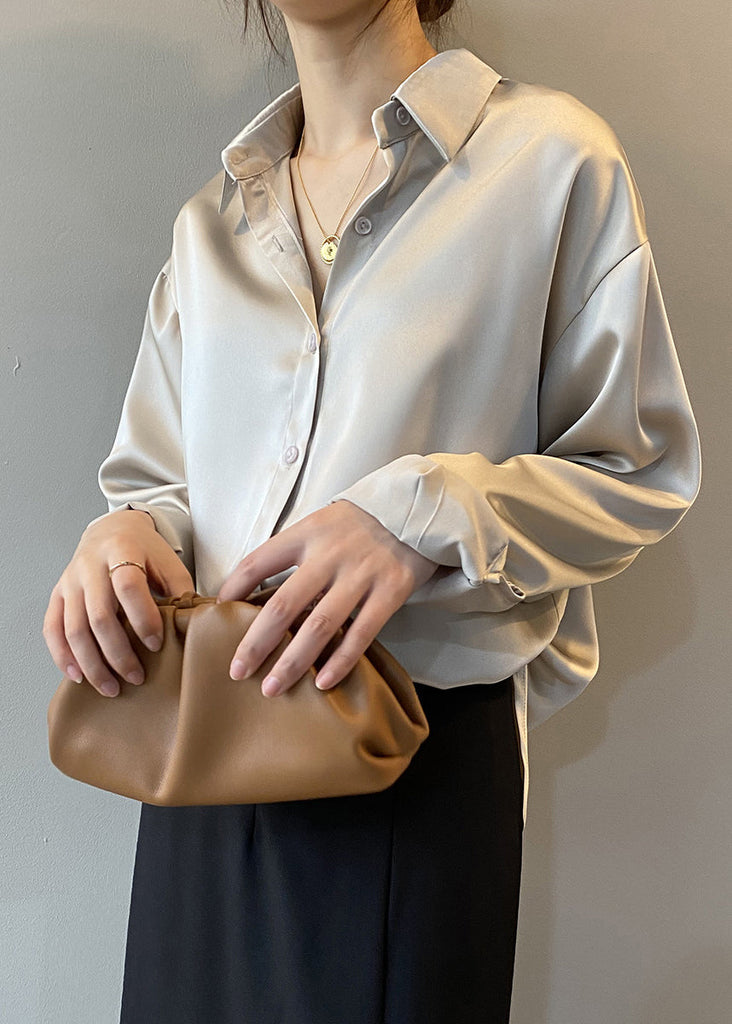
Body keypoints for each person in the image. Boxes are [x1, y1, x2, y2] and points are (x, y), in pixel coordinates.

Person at [42, 1, 702, 1021]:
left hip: (410, 776)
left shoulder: (551, 162)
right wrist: (123, 537)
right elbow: (159, 484)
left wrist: (423, 516)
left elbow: (639, 467)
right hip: (197, 767)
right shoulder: (211, 224)